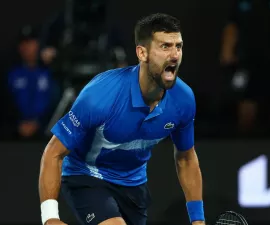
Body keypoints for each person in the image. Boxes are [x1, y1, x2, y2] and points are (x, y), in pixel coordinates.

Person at [38, 13, 205, 225]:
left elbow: (186, 158)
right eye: (165, 47)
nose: (174, 55)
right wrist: (50, 217)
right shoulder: (101, 95)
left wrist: (198, 220)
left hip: (134, 185)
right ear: (142, 53)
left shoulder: (183, 100)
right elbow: (53, 152)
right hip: (87, 175)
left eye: (178, 46)